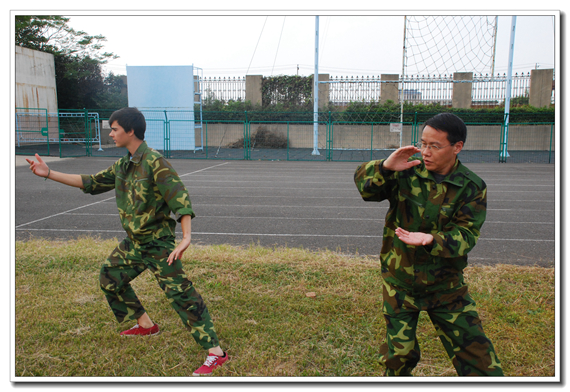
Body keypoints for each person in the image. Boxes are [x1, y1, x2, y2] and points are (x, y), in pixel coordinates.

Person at [26, 107, 228, 376]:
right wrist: (49, 173)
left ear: (130, 131)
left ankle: (216, 353)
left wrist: (186, 236)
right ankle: (146, 325)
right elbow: (91, 182)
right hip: (134, 243)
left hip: (157, 245)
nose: (110, 134)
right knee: (110, 277)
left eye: (114, 129)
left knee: (181, 295)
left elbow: (179, 198)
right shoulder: (124, 165)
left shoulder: (155, 162)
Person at [353, 113, 503, 377]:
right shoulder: (406, 171)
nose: (425, 152)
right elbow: (367, 190)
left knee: (479, 359)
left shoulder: (472, 187)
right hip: (400, 282)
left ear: (457, 147)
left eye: (434, 146)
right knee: (399, 357)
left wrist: (433, 239)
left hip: (445, 286)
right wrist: (385, 167)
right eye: (423, 143)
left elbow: (466, 235)